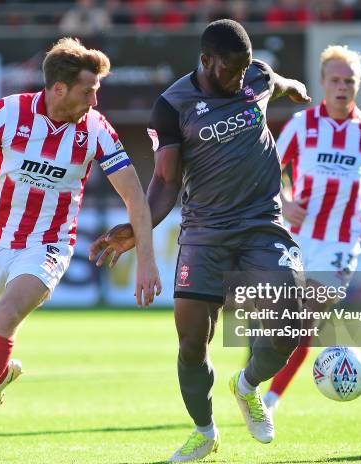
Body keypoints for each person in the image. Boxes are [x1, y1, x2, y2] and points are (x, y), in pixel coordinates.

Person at [0, 37, 162, 457]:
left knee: (7, 314)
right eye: (88, 89)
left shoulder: (96, 130)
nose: (95, 97)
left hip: (49, 244)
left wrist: (146, 259)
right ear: (59, 89)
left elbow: (135, 198)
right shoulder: (8, 113)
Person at [90, 19, 310, 462]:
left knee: (291, 321)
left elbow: (278, 82)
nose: (237, 78)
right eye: (229, 70)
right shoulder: (172, 106)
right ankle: (205, 432)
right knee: (192, 343)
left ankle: (247, 385)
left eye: (244, 69)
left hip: (262, 224)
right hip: (205, 233)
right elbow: (166, 181)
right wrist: (138, 228)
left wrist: (294, 89)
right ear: (207, 61)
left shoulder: (255, 77)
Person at [262, 45, 361, 410]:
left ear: (358, 84)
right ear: (322, 82)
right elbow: (271, 167)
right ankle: (256, 384)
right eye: (335, 79)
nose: (342, 86)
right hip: (296, 239)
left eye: (349, 80)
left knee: (304, 323)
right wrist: (284, 202)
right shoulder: (302, 125)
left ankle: (270, 397)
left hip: (341, 243)